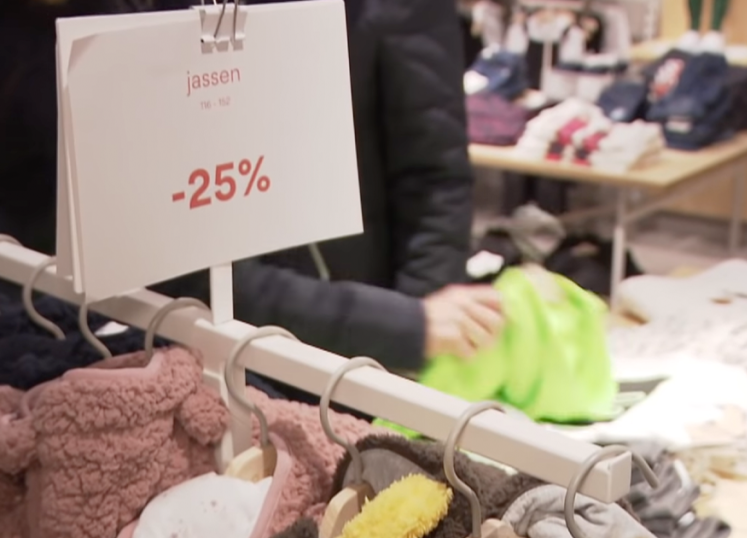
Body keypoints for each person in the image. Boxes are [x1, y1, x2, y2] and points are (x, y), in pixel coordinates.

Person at [0, 0, 503, 373]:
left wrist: (407, 348)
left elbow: (432, 176)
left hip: (350, 331)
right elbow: (177, 260)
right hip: (180, 332)